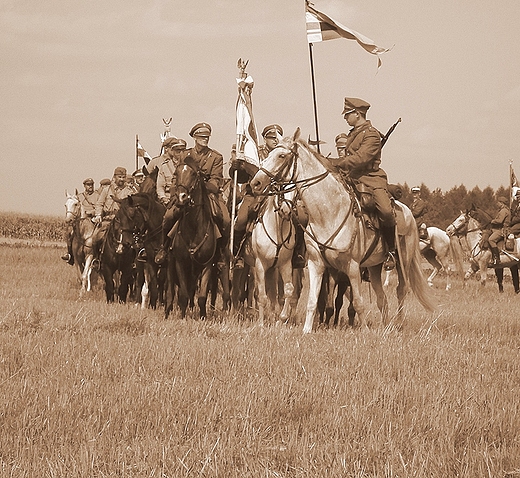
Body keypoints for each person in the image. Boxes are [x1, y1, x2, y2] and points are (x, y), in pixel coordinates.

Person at [329, 97, 397, 271]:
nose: (345, 118)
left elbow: (361, 158)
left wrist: (337, 162)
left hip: (372, 179)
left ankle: (391, 251)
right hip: (352, 177)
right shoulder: (353, 133)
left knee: (386, 211)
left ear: (357, 114)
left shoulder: (372, 134)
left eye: (347, 114)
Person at [155, 123, 229, 264]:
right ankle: (163, 248)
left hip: (208, 194)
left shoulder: (215, 157)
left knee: (224, 219)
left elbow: (216, 179)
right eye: (201, 136)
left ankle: (221, 253)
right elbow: (177, 176)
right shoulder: (185, 154)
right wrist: (174, 193)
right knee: (168, 216)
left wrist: (204, 186)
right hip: (185, 192)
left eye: (207, 137)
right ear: (194, 137)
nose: (205, 139)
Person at [91, 167, 134, 270]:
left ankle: (133, 262)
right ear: (114, 177)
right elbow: (99, 204)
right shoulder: (106, 190)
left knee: (133, 242)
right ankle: (97, 260)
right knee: (95, 238)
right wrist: (98, 215)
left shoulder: (129, 191)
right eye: (119, 177)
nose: (122, 179)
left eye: (123, 177)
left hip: (123, 222)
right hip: (108, 220)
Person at [61, 178, 99, 265]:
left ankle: (97, 255)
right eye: (88, 185)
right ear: (84, 186)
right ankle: (70, 254)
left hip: (93, 219)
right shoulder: (80, 196)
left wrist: (91, 213)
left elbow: (99, 207)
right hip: (81, 220)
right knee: (69, 233)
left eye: (91, 184)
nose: (90, 186)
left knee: (98, 235)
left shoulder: (97, 195)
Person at [156, 136, 187, 207]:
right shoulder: (164, 166)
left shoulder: (189, 166)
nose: (180, 153)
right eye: (178, 151)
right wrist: (163, 198)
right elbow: (160, 186)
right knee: (167, 217)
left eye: (183, 150)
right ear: (172, 151)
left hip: (186, 199)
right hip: (169, 200)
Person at [481, 196, 511, 265]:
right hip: (500, 229)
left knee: (491, 240)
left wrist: (492, 221)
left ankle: (497, 258)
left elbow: (500, 221)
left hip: (503, 230)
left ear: (502, 203)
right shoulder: (502, 210)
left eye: (498, 202)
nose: (497, 204)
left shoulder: (504, 211)